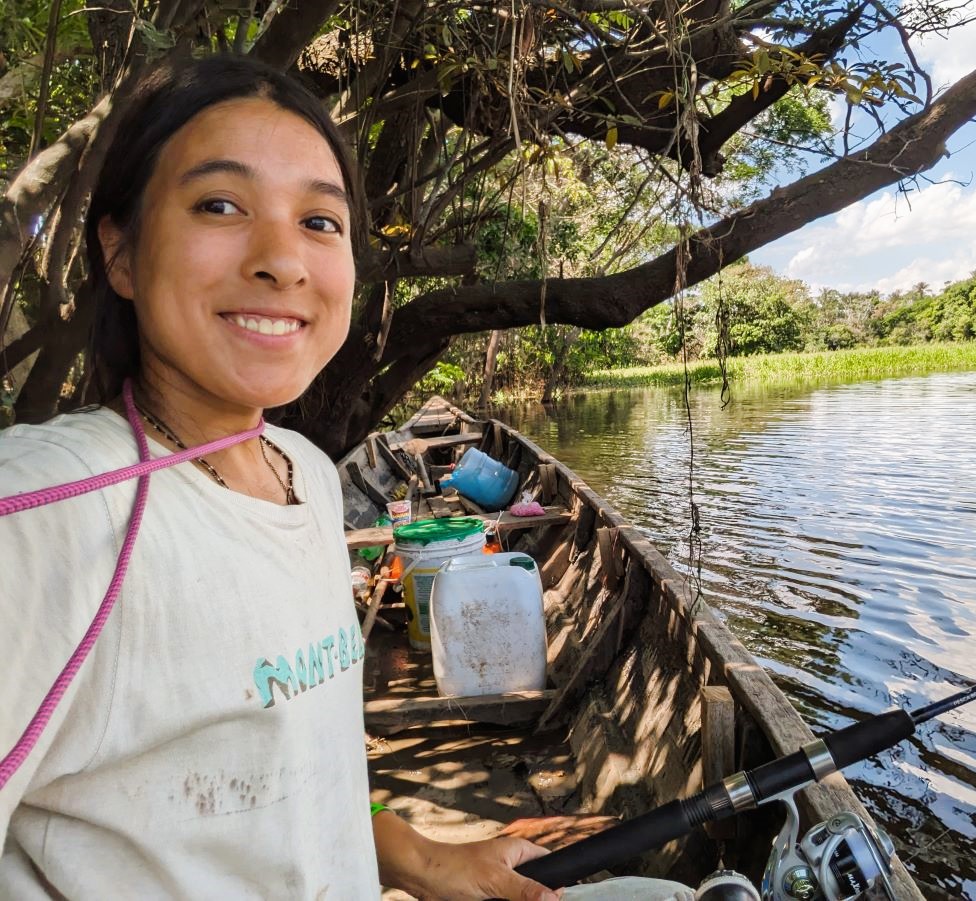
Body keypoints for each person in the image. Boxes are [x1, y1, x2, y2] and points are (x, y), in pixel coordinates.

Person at [0, 55, 578, 901]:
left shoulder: (303, 470)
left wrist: (416, 855)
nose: (283, 259)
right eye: (221, 205)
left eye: (320, 220)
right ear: (119, 251)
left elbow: (301, 762)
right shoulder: (42, 515)